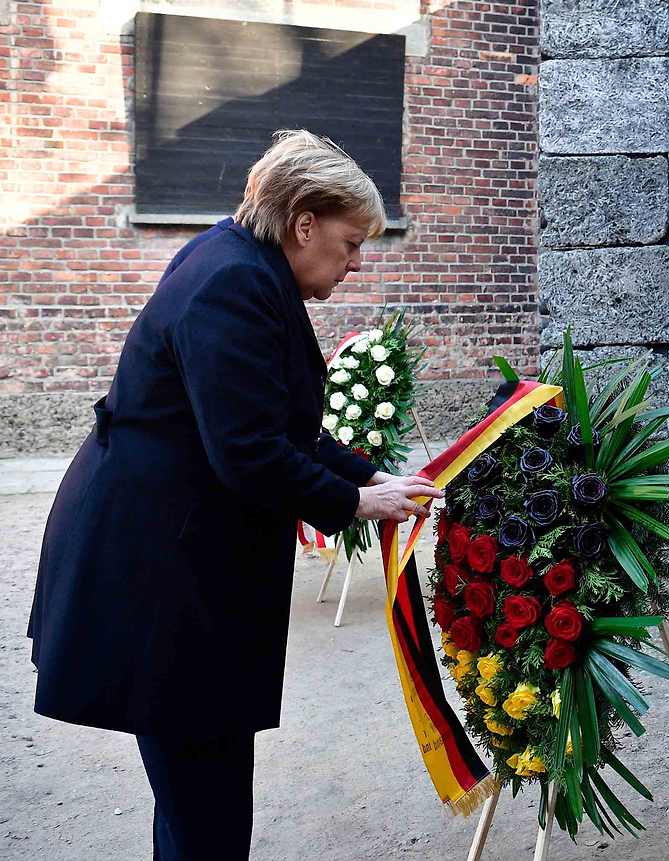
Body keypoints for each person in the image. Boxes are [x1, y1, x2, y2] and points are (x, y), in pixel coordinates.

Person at [25, 129, 439, 860]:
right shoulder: (232, 282)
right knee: (205, 806)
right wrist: (355, 505)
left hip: (174, 565)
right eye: (349, 242)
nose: (355, 262)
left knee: (198, 799)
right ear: (303, 221)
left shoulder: (241, 262)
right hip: (159, 578)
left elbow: (278, 422)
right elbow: (246, 452)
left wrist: (368, 474)